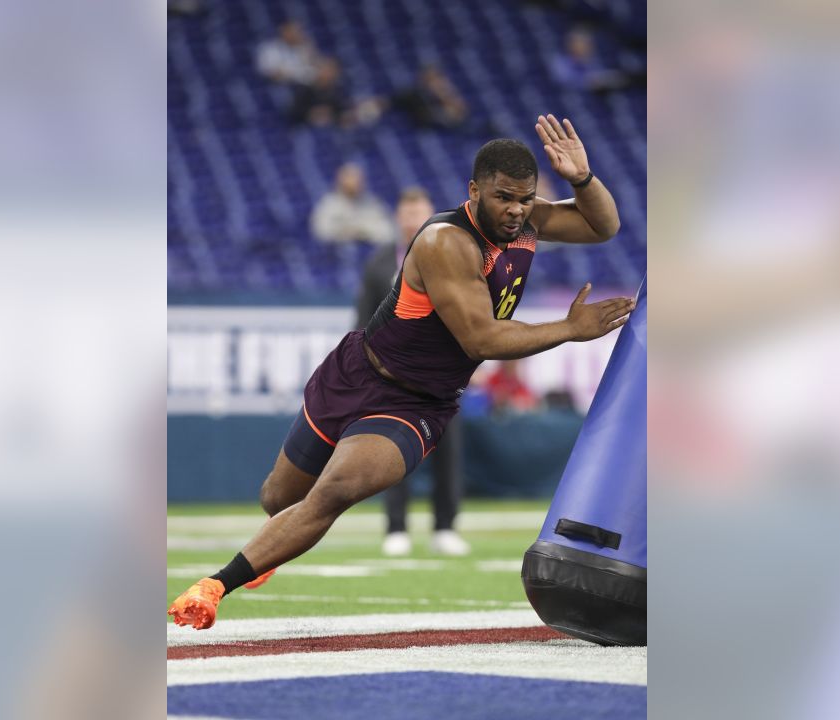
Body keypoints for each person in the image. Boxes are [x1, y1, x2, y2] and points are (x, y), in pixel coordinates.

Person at [169, 115, 635, 630]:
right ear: (474, 190)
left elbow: (603, 225)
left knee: (335, 491)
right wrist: (569, 328)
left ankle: (215, 585)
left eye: (525, 199)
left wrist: (583, 179)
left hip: (416, 404)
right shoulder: (445, 242)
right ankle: (270, 550)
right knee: (277, 499)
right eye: (505, 197)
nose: (516, 211)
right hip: (356, 373)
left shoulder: (528, 220)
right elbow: (480, 339)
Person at [356, 187, 470, 557]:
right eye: (407, 213)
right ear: (397, 218)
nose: (413, 219)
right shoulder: (380, 263)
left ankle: (445, 527)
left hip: (443, 374)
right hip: (395, 377)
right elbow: (363, 321)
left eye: (419, 212)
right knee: (392, 454)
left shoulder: (452, 256)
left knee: (448, 452)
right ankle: (396, 528)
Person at [310, 163, 397, 245]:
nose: (355, 183)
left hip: (371, 252)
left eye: (358, 180)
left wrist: (362, 232)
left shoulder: (372, 204)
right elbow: (321, 231)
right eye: (350, 179)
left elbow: (389, 232)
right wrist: (347, 232)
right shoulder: (329, 205)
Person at [551, 28, 630, 94]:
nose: (586, 47)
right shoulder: (561, 61)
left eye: (587, 44)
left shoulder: (591, 60)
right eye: (581, 44)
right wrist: (588, 81)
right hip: (571, 96)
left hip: (593, 94)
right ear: (572, 44)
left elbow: (599, 75)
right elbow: (565, 81)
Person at [255, 20, 320, 87]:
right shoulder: (269, 49)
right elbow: (274, 74)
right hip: (279, 86)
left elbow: (313, 67)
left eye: (298, 31)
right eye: (293, 31)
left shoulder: (303, 48)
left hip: (305, 86)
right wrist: (296, 74)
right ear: (284, 32)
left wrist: (309, 48)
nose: (297, 34)